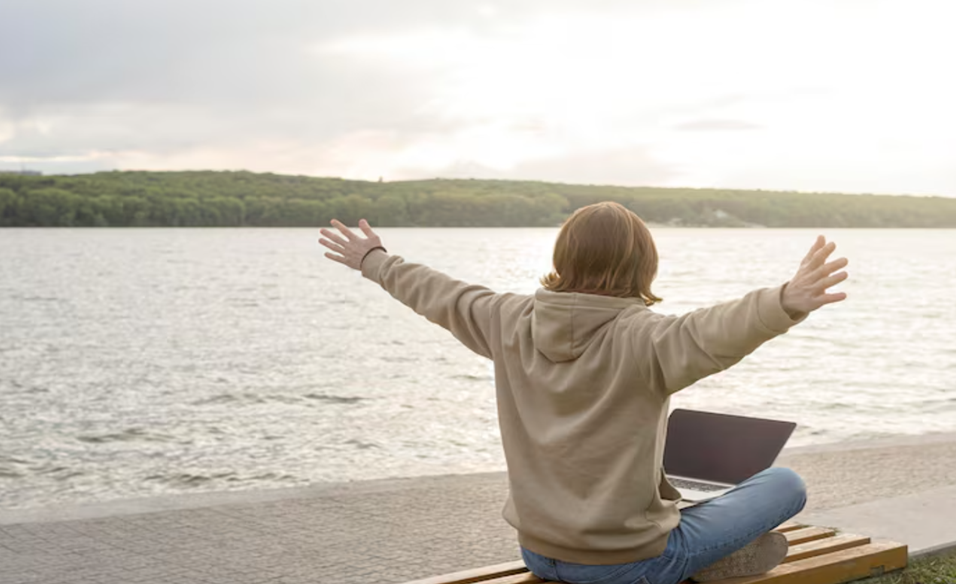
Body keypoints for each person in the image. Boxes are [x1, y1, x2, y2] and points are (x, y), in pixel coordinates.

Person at [318, 202, 849, 584]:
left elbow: (441, 294)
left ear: (564, 256)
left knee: (681, 461)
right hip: (625, 565)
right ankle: (703, 562)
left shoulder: (507, 321)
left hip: (540, 553)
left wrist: (374, 259)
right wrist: (785, 300)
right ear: (644, 264)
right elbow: (713, 330)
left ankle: (697, 544)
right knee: (784, 483)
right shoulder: (644, 337)